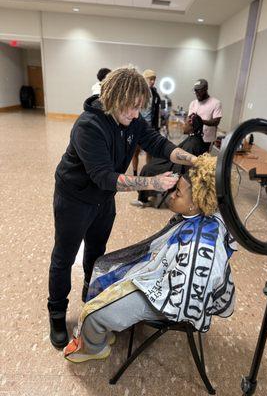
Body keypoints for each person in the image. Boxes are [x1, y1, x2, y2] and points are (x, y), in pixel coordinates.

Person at [48, 67, 199, 349]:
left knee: (97, 250)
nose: (136, 114)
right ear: (115, 98)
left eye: (140, 108)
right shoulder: (87, 127)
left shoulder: (132, 120)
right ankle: (56, 312)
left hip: (103, 198)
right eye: (132, 108)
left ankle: (89, 293)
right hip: (75, 198)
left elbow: (159, 143)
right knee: (64, 257)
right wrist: (152, 182)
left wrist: (195, 160)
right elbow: (104, 176)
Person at [63, 154, 237, 363]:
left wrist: (148, 285)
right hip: (164, 275)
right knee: (104, 265)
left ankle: (94, 348)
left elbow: (187, 296)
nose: (170, 195)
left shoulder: (200, 248)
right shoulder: (207, 214)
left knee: (93, 315)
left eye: (177, 193)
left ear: (196, 203)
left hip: (169, 300)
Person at [131, 113, 207, 207]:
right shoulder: (194, 139)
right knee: (154, 162)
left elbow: (182, 168)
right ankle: (145, 194)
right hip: (174, 164)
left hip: (175, 169)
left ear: (191, 126)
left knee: (147, 169)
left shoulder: (193, 144)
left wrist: (174, 176)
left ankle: (143, 199)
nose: (183, 125)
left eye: (185, 123)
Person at [131, 69, 161, 176]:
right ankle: (135, 173)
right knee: (135, 152)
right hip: (137, 127)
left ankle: (149, 172)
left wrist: (157, 127)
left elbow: (157, 112)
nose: (153, 81)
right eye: (151, 79)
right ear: (145, 79)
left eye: (154, 79)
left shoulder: (155, 94)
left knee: (150, 152)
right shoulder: (137, 93)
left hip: (150, 128)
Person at [188, 79, 222, 151]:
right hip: (193, 138)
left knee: (203, 161)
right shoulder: (193, 103)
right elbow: (189, 120)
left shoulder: (216, 103)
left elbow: (216, 122)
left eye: (199, 91)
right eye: (195, 91)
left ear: (205, 89)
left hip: (207, 140)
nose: (197, 94)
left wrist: (200, 121)